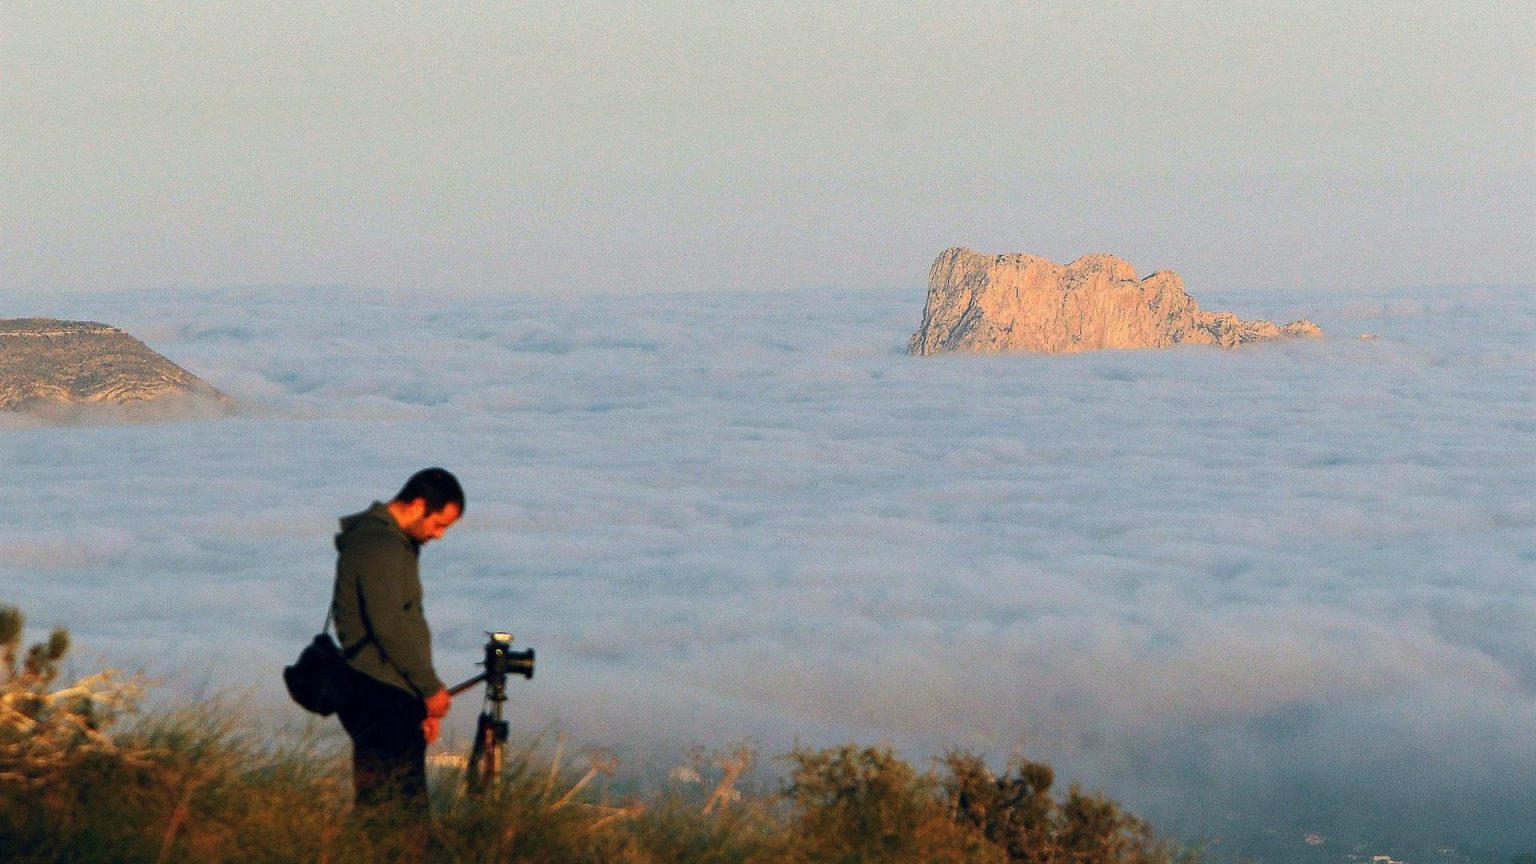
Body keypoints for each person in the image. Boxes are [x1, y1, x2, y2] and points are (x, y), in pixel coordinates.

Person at [331, 467, 462, 822]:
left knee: (394, 806)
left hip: (392, 691)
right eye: (440, 524)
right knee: (394, 812)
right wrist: (428, 688)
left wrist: (419, 701)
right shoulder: (380, 547)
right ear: (419, 505)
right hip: (380, 692)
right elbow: (390, 626)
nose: (439, 536)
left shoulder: (389, 544)